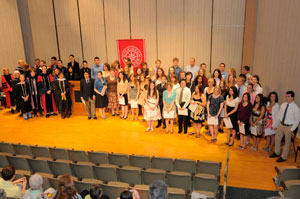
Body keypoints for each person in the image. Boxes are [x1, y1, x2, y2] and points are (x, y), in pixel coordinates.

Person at [270, 91, 300, 162]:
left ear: (292, 97)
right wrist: (275, 124)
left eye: (288, 96)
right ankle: (277, 152)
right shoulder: (283, 104)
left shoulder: (296, 108)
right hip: (281, 125)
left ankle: (284, 157)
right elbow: (279, 116)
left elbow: (297, 120)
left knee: (287, 142)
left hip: (289, 126)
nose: (286, 98)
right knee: (277, 139)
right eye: (286, 96)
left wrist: (292, 129)